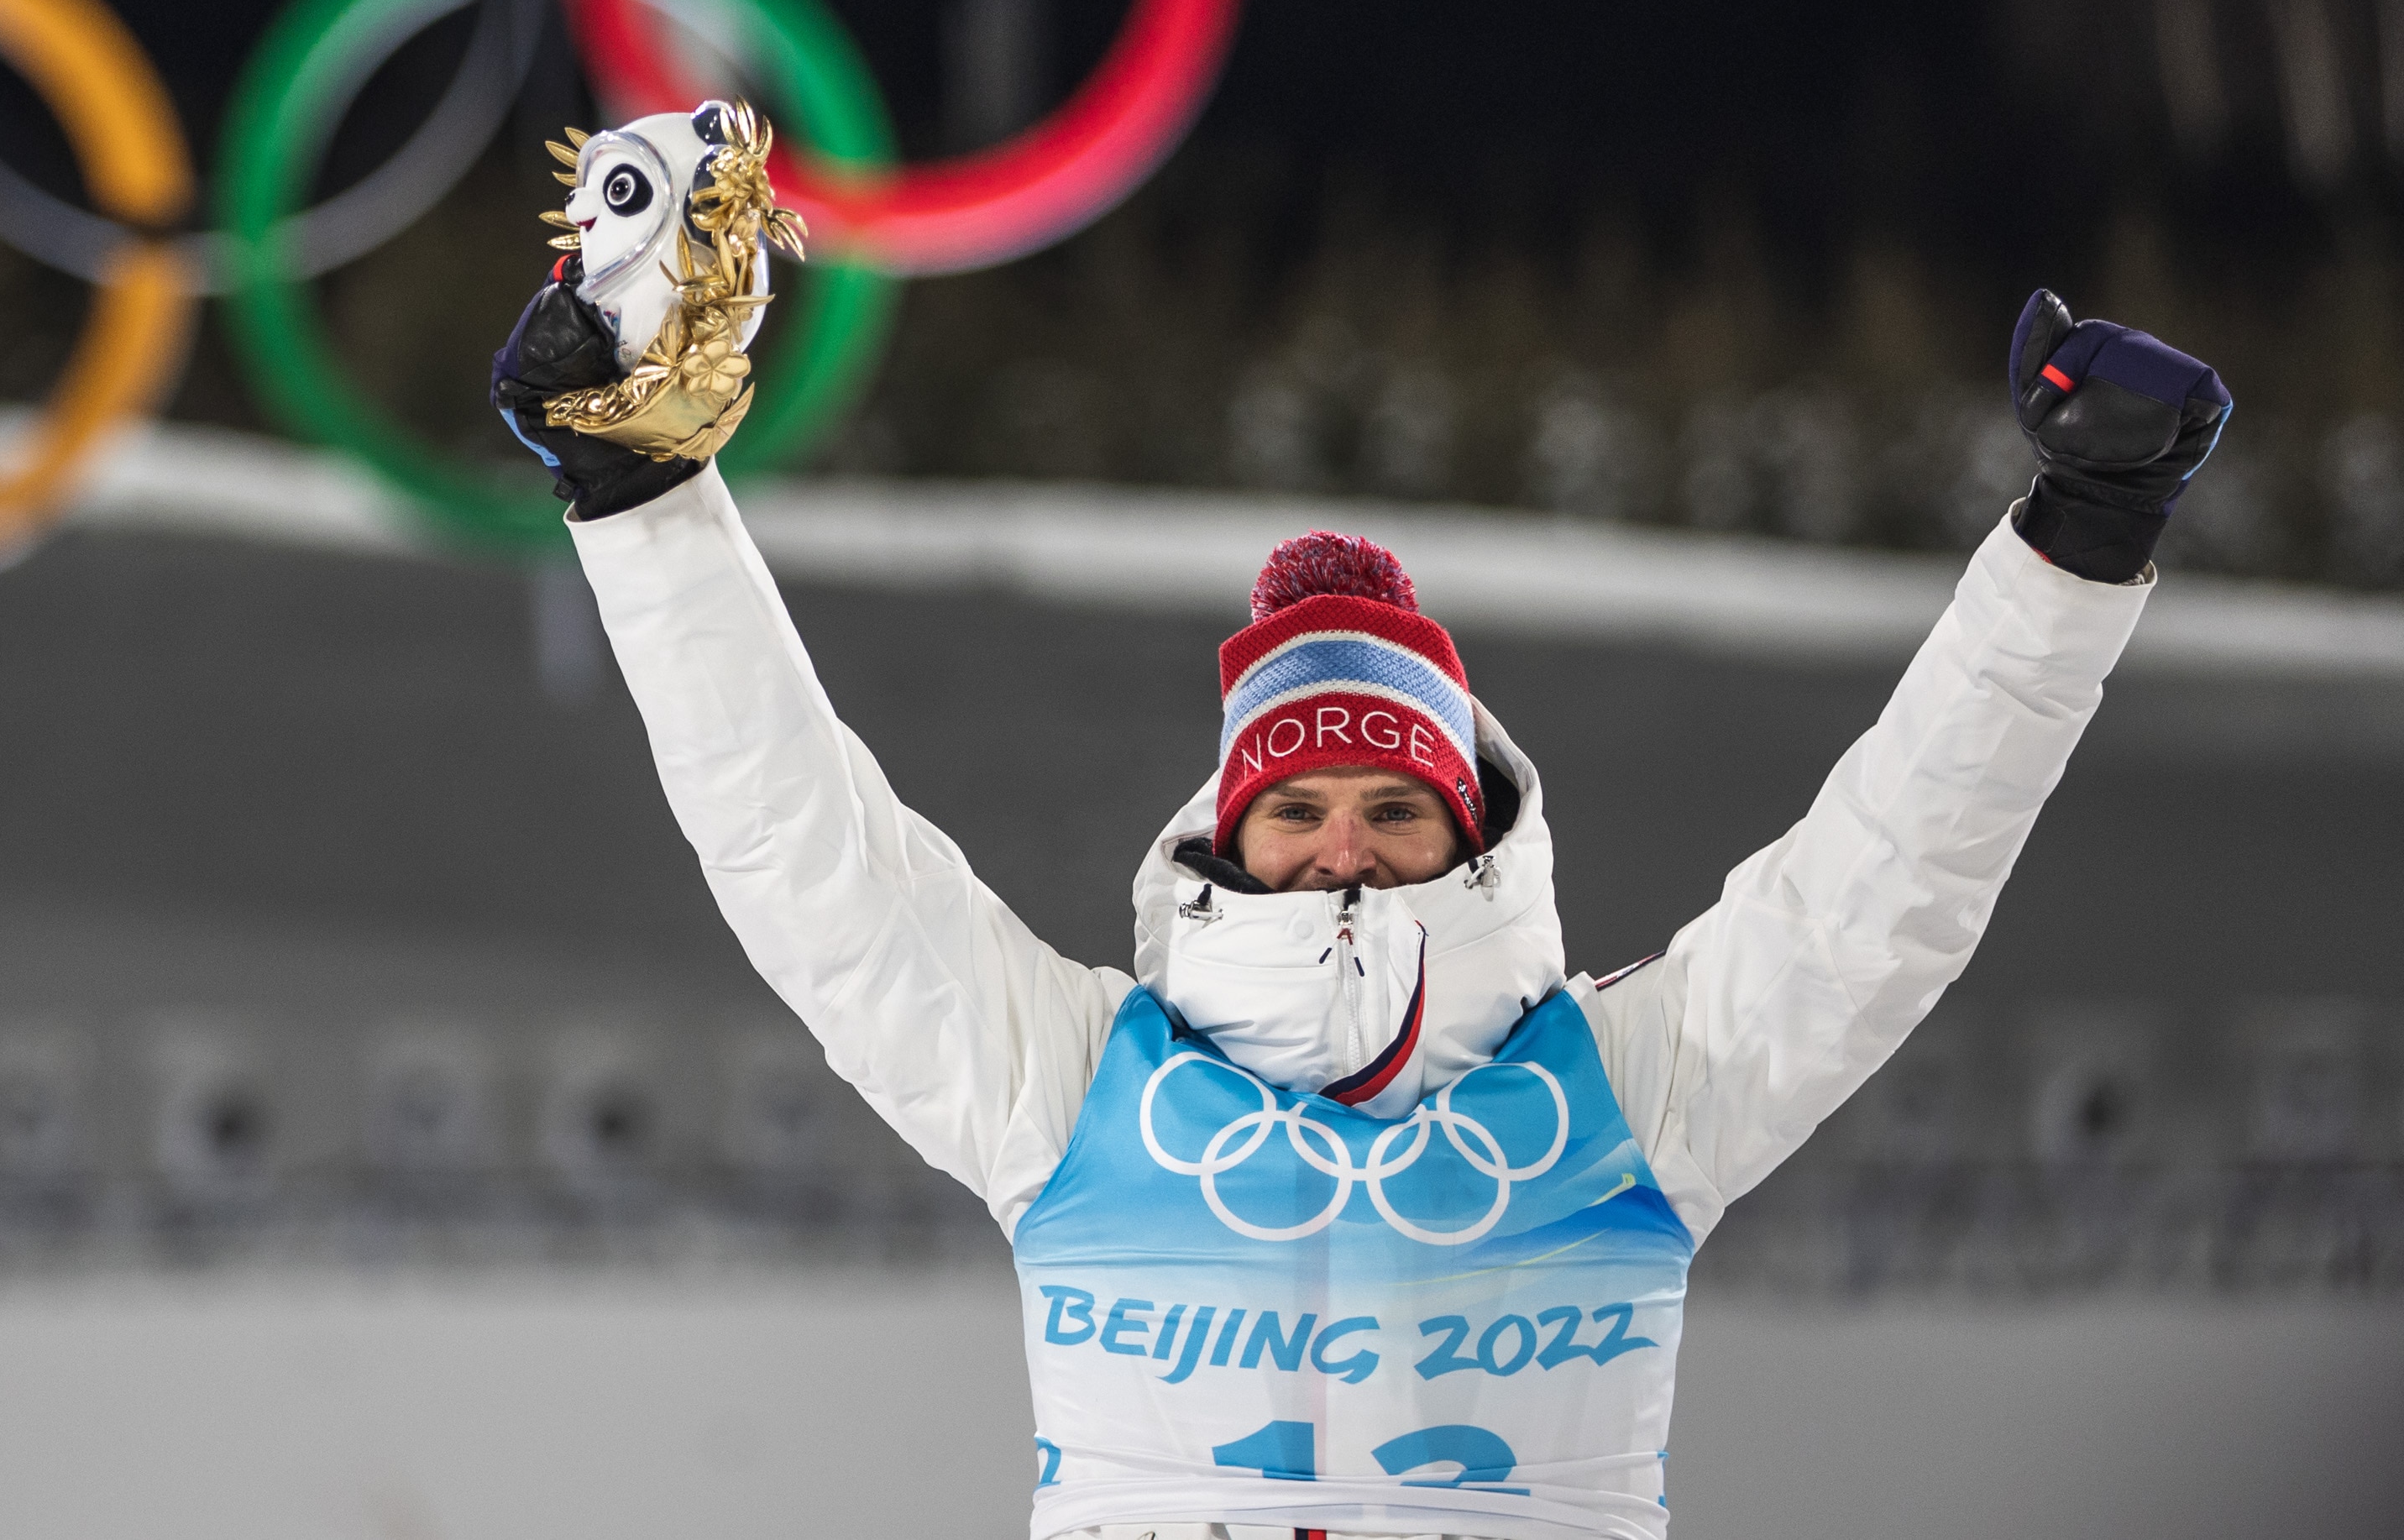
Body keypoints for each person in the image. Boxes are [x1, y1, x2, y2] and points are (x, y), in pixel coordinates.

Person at [492, 164, 2230, 1540]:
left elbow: (1888, 878)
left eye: (1395, 810)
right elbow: (803, 852)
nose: (1343, 849)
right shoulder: (1073, 1084)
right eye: (1300, 808)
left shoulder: (1626, 1087)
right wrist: (638, 501)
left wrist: (2076, 541)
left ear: (1468, 832)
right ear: (1228, 836)